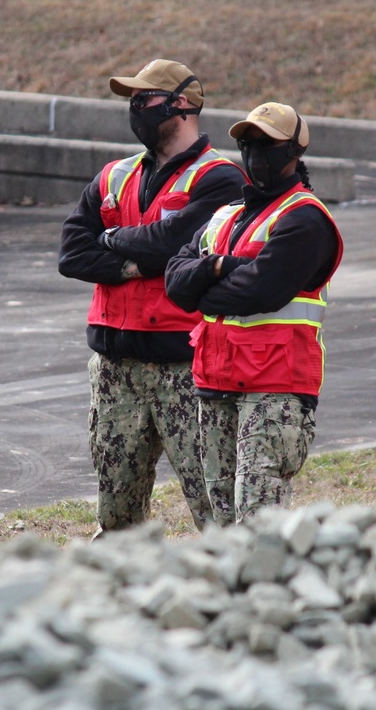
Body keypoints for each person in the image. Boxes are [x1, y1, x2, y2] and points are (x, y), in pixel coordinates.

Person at [58, 59, 247, 537]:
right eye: (132, 101)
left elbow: (174, 242)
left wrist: (116, 239)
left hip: (183, 369)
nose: (135, 109)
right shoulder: (114, 175)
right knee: (116, 515)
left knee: (214, 505)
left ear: (182, 104)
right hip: (114, 369)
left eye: (144, 100)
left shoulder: (220, 178)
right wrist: (137, 260)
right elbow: (72, 254)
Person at [165, 102, 344, 526]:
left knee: (258, 522)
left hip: (275, 390)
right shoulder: (225, 216)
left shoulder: (305, 220)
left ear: (295, 151)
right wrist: (218, 267)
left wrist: (208, 279)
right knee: (219, 520)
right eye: (247, 144)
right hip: (216, 382)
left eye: (267, 144)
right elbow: (175, 281)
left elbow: (263, 289)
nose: (255, 153)